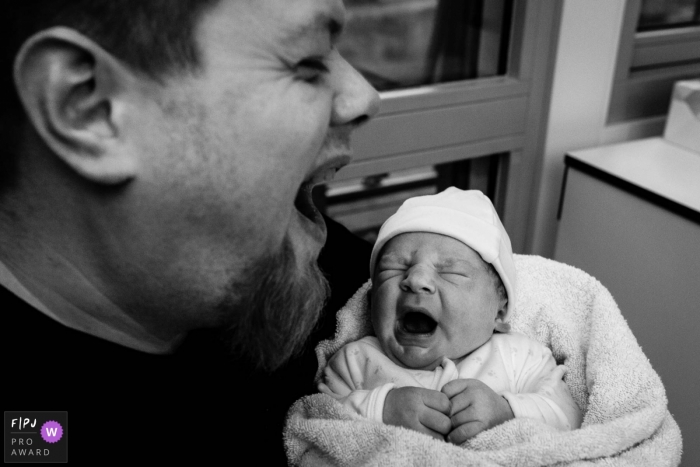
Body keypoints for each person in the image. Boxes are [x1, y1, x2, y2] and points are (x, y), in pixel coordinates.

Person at [2, 0, 379, 463]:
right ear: (88, 108)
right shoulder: (30, 438)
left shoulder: (309, 263)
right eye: (307, 61)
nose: (363, 97)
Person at [319, 188, 582, 444]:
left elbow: (569, 417)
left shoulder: (520, 357)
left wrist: (506, 411)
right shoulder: (356, 361)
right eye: (393, 267)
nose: (416, 279)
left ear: (499, 311)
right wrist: (381, 409)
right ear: (371, 298)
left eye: (450, 272)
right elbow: (317, 421)